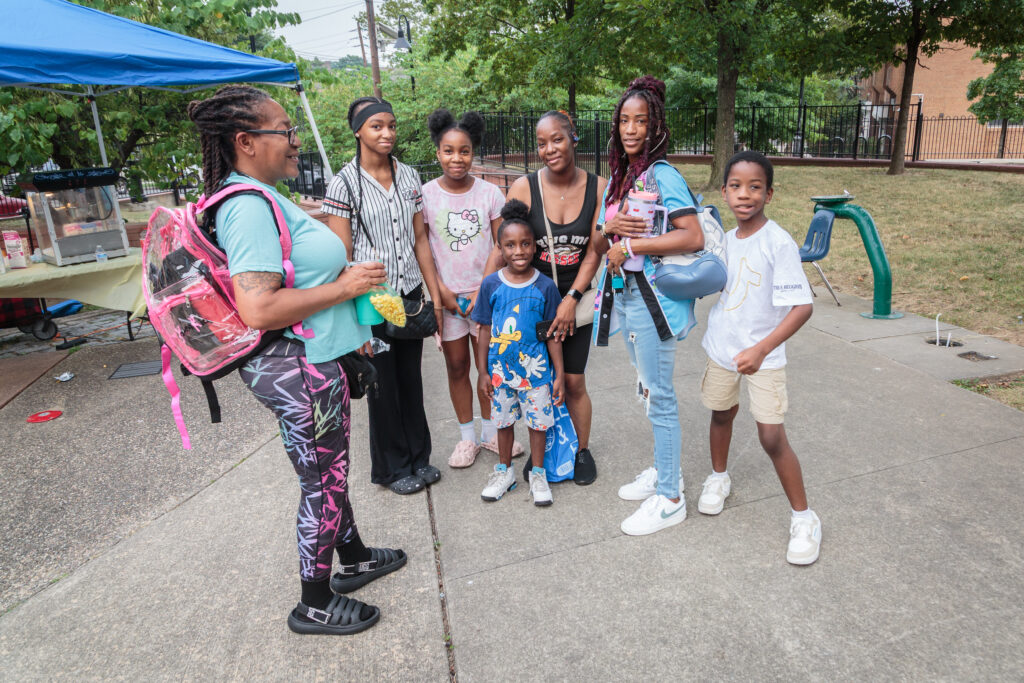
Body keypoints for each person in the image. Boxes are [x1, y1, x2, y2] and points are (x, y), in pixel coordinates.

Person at [187, 85, 406, 635]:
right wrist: (346, 285)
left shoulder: (262, 193)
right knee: (322, 481)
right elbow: (258, 307)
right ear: (246, 141)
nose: (295, 140)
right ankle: (314, 601)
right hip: (295, 368)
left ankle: (351, 556)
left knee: (328, 468)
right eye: (284, 131)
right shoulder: (245, 208)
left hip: (308, 360)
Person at [594, 76, 705, 536]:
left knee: (659, 396)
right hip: (625, 297)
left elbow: (692, 234)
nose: (631, 128)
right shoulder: (622, 176)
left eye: (641, 120)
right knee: (647, 390)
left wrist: (630, 246)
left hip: (649, 299)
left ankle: (672, 498)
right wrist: (612, 230)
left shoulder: (663, 174)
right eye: (624, 119)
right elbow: (604, 236)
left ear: (656, 124)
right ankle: (664, 471)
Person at [697, 151, 821, 565]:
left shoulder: (778, 242)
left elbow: (801, 308)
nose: (744, 195)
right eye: (735, 186)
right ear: (724, 191)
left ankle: (804, 518)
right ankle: (718, 478)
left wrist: (761, 348)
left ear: (769, 193)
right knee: (720, 414)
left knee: (771, 437)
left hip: (762, 356)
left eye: (754, 187)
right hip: (721, 348)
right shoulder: (725, 242)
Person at [322, 96, 445, 495]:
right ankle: (391, 469)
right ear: (358, 130)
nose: (387, 133)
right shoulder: (344, 184)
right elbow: (340, 258)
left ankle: (419, 458)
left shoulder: (409, 176)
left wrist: (435, 296)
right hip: (371, 299)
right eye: (376, 126)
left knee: (411, 379)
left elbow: (420, 239)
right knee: (384, 384)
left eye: (391, 125)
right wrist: (355, 323)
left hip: (407, 293)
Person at [504, 111, 607, 486]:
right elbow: (505, 242)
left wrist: (571, 297)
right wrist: (483, 293)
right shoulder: (522, 188)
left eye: (557, 140)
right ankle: (539, 454)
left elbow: (595, 251)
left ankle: (581, 450)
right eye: (542, 143)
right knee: (536, 382)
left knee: (575, 382)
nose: (550, 149)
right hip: (532, 301)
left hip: (576, 301)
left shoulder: (600, 187)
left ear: (574, 138)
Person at [420, 108, 523, 468]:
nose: (456, 158)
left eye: (464, 150)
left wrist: (483, 290)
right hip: (447, 299)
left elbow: (500, 244)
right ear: (438, 153)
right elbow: (424, 247)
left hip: (486, 298)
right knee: (457, 367)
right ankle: (467, 438)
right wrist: (440, 294)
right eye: (448, 150)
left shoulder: (490, 194)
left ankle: (492, 433)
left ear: (473, 152)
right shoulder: (426, 196)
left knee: (489, 366)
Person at [471, 200, 565, 506]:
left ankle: (538, 474)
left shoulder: (546, 287)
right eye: (510, 245)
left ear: (535, 246)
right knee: (503, 422)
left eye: (525, 244)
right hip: (499, 373)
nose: (519, 251)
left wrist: (559, 374)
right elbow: (484, 329)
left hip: (536, 374)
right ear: (500, 248)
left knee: (538, 424)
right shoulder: (490, 286)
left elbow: (550, 335)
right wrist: (482, 371)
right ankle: (505, 472)